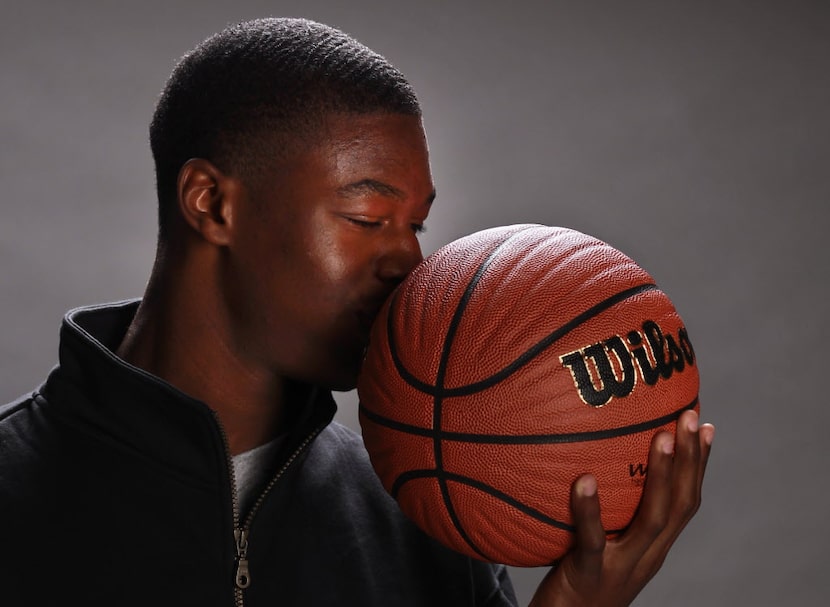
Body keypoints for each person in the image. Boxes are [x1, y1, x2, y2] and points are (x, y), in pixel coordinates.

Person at [0, 17, 713, 606]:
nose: (408, 261)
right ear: (211, 203)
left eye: (417, 227)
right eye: (368, 216)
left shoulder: (428, 509)